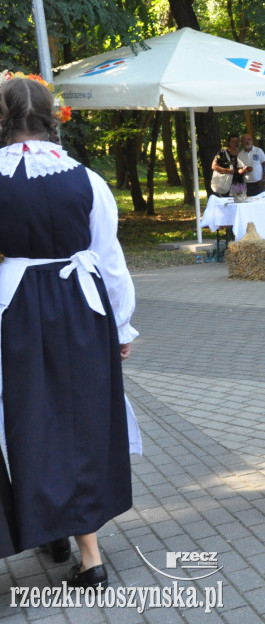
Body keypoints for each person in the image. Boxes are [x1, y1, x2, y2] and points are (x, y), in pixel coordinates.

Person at [0, 75, 140, 588]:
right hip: (83, 306)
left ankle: (59, 533)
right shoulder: (86, 177)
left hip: (17, 305)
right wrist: (122, 323)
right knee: (82, 421)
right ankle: (85, 552)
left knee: (32, 422)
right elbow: (110, 259)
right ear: (51, 117)